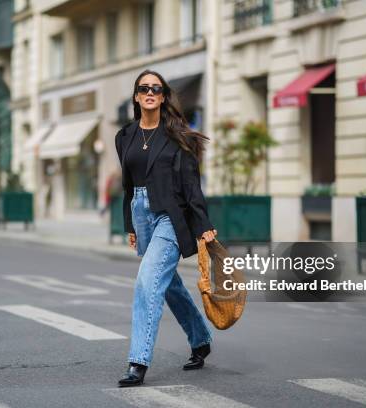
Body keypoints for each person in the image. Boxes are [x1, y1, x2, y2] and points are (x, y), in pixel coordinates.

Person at [114, 69, 218, 387]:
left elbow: (191, 186)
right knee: (168, 282)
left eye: (156, 89)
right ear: (136, 96)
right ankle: (200, 339)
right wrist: (130, 223)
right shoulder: (125, 137)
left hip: (169, 217)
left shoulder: (177, 137)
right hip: (142, 214)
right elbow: (129, 186)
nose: (149, 92)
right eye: (144, 88)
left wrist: (204, 226)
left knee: (148, 282)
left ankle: (138, 361)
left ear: (162, 97)